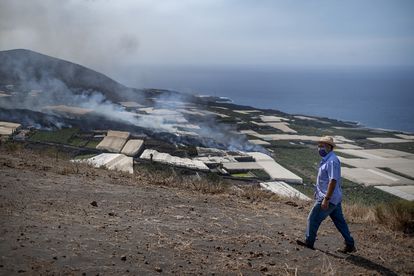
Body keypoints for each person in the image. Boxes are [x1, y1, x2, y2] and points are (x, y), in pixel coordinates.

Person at [296, 136, 356, 253]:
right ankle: (350, 244)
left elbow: (333, 180)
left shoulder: (332, 161)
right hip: (334, 198)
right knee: (340, 222)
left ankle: (309, 242)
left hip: (329, 198)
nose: (320, 148)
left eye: (322, 145)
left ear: (330, 147)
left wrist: (326, 199)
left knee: (313, 218)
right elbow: (325, 180)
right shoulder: (327, 159)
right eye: (319, 145)